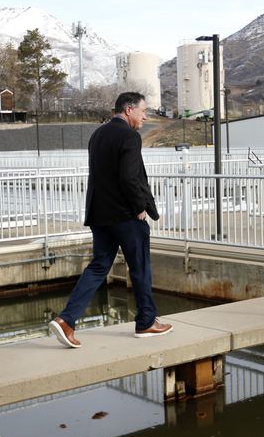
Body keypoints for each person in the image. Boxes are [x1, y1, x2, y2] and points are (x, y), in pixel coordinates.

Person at [49, 92, 173, 348]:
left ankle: (66, 320)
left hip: (99, 214)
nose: (145, 117)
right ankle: (146, 322)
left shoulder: (98, 134)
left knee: (98, 266)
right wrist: (140, 206)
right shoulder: (129, 136)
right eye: (142, 111)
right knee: (139, 267)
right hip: (125, 216)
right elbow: (129, 177)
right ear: (128, 110)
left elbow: (102, 176)